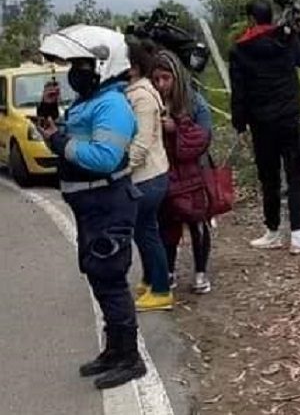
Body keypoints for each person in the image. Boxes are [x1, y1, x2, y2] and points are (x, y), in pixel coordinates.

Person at [37, 24, 146, 389]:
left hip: (107, 203)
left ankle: (130, 358)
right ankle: (114, 349)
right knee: (99, 277)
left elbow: (103, 157)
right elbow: (66, 135)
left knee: (110, 278)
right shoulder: (90, 102)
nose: (76, 72)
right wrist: (49, 112)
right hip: (91, 205)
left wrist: (59, 139)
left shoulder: (112, 104)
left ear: (104, 64)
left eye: (84, 65)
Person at [229, 0, 300, 254]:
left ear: (251, 18)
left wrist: (239, 124)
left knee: (268, 177)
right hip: (288, 117)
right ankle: (298, 234)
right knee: (296, 175)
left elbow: (238, 92)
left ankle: (272, 231)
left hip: (260, 121)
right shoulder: (283, 39)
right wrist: (297, 33)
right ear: (270, 16)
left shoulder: (240, 49)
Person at [152, 49, 214, 294]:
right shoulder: (151, 100)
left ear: (176, 77)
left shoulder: (194, 101)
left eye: (165, 78)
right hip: (164, 171)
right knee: (166, 224)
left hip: (193, 172)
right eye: (156, 79)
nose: (161, 84)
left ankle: (200, 272)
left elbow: (204, 136)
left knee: (197, 220)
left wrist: (176, 128)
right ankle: (168, 270)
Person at [125, 40, 173, 311]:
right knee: (144, 231)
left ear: (133, 67)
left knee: (147, 232)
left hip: (147, 176)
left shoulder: (141, 96)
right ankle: (150, 279)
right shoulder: (134, 91)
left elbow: (142, 143)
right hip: (147, 175)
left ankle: (161, 289)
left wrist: (122, 169)